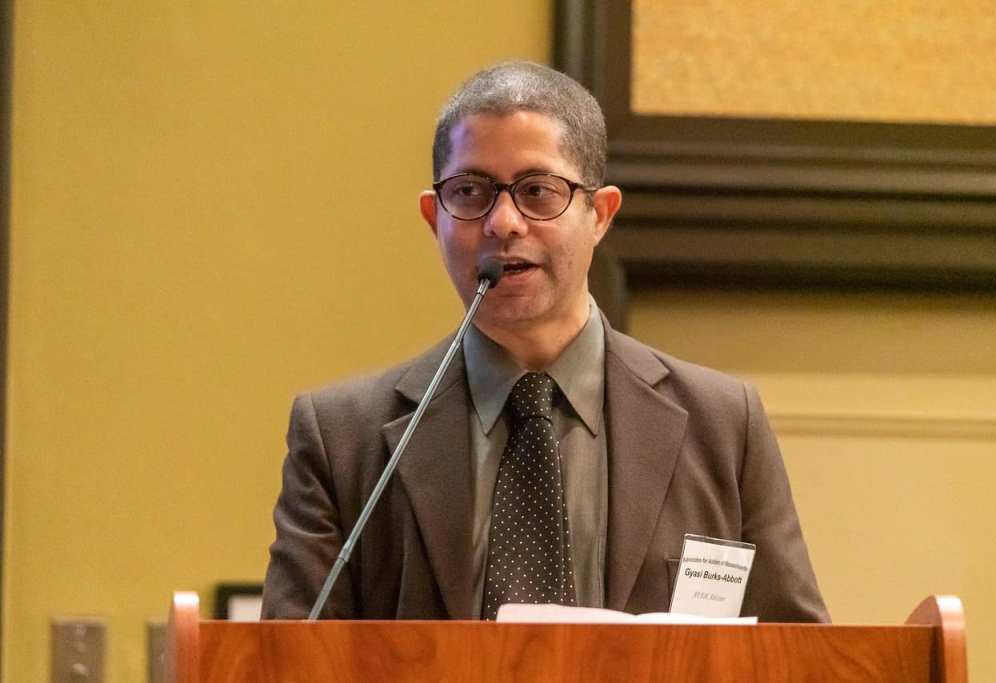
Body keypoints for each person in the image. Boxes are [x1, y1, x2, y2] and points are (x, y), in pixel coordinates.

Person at [261, 61, 828, 622]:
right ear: (434, 217)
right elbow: (287, 661)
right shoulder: (341, 437)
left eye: (537, 191)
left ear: (600, 213)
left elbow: (799, 656)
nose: (503, 222)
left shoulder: (723, 423)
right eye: (470, 191)